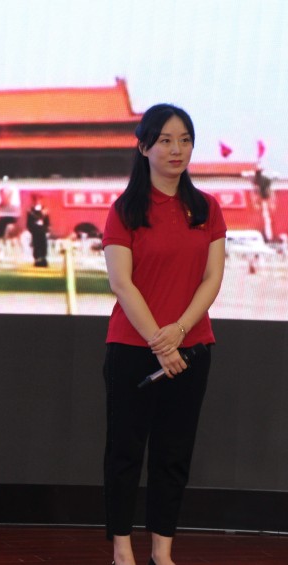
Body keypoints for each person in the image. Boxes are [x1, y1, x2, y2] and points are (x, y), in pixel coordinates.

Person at [102, 104, 226, 565]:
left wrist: (179, 331)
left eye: (185, 140)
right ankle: (122, 549)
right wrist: (160, 340)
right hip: (132, 348)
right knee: (125, 452)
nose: (177, 150)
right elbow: (121, 283)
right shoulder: (125, 210)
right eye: (166, 140)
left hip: (192, 347)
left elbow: (212, 278)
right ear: (144, 147)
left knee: (173, 455)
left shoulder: (207, 208)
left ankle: (162, 552)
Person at [26, 195, 50, 267]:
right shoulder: (31, 211)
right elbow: (29, 223)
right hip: (35, 231)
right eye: (36, 200)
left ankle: (43, 259)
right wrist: (32, 229)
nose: (38, 202)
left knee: (43, 245)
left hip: (42, 231)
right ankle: (37, 259)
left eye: (39, 200)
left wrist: (47, 229)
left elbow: (47, 222)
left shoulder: (45, 210)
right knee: (36, 245)